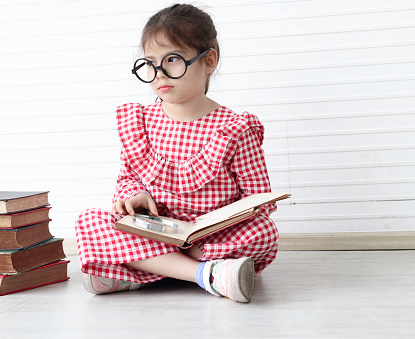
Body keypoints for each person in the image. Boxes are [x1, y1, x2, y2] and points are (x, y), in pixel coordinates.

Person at [75, 3, 278, 303]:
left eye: (172, 60)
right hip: (156, 231)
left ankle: (139, 272)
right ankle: (208, 275)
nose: (159, 73)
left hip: (208, 238)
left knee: (264, 231)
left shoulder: (234, 128)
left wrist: (215, 225)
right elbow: (127, 179)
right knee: (90, 221)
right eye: (150, 63)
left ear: (209, 61)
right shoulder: (140, 123)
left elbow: (260, 199)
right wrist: (133, 198)